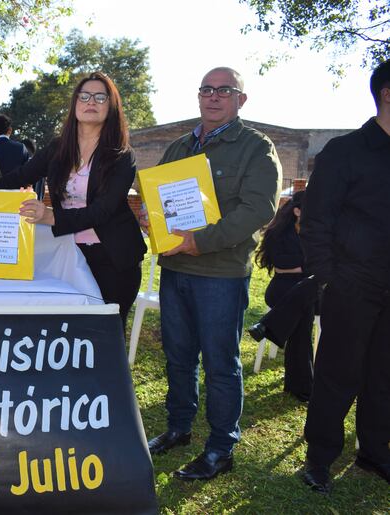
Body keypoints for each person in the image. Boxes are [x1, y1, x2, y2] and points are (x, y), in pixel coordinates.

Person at [144, 67, 281, 480]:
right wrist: (156, 223)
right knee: (178, 356)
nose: (214, 96)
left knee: (220, 363)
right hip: (175, 268)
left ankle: (222, 447)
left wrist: (199, 241)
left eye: (225, 90)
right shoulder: (179, 147)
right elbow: (158, 199)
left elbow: (258, 210)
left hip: (220, 273)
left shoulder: (256, 148)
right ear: (198, 96)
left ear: (241, 99)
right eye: (207, 89)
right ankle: (179, 427)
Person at [297, 59, 390, 493]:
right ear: (387, 93)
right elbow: (315, 221)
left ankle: (373, 451)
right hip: (351, 284)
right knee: (338, 373)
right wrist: (329, 278)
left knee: (384, 375)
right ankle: (319, 458)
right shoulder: (346, 152)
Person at [0, 72, 146, 325]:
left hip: (115, 260)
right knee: (69, 335)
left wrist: (49, 215)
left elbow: (102, 211)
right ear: (75, 104)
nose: (91, 102)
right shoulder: (58, 147)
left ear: (111, 105)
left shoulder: (122, 155)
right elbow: (19, 176)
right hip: (69, 255)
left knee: (107, 336)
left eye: (100, 97)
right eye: (84, 96)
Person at [249, 190, 314, 402]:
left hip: (309, 290)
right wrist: (306, 267)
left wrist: (302, 268)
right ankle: (302, 386)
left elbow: (317, 265)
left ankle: (267, 324)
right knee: (302, 312)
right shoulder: (279, 233)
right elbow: (284, 265)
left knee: (303, 298)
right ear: (297, 211)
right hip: (284, 288)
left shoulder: (316, 233)